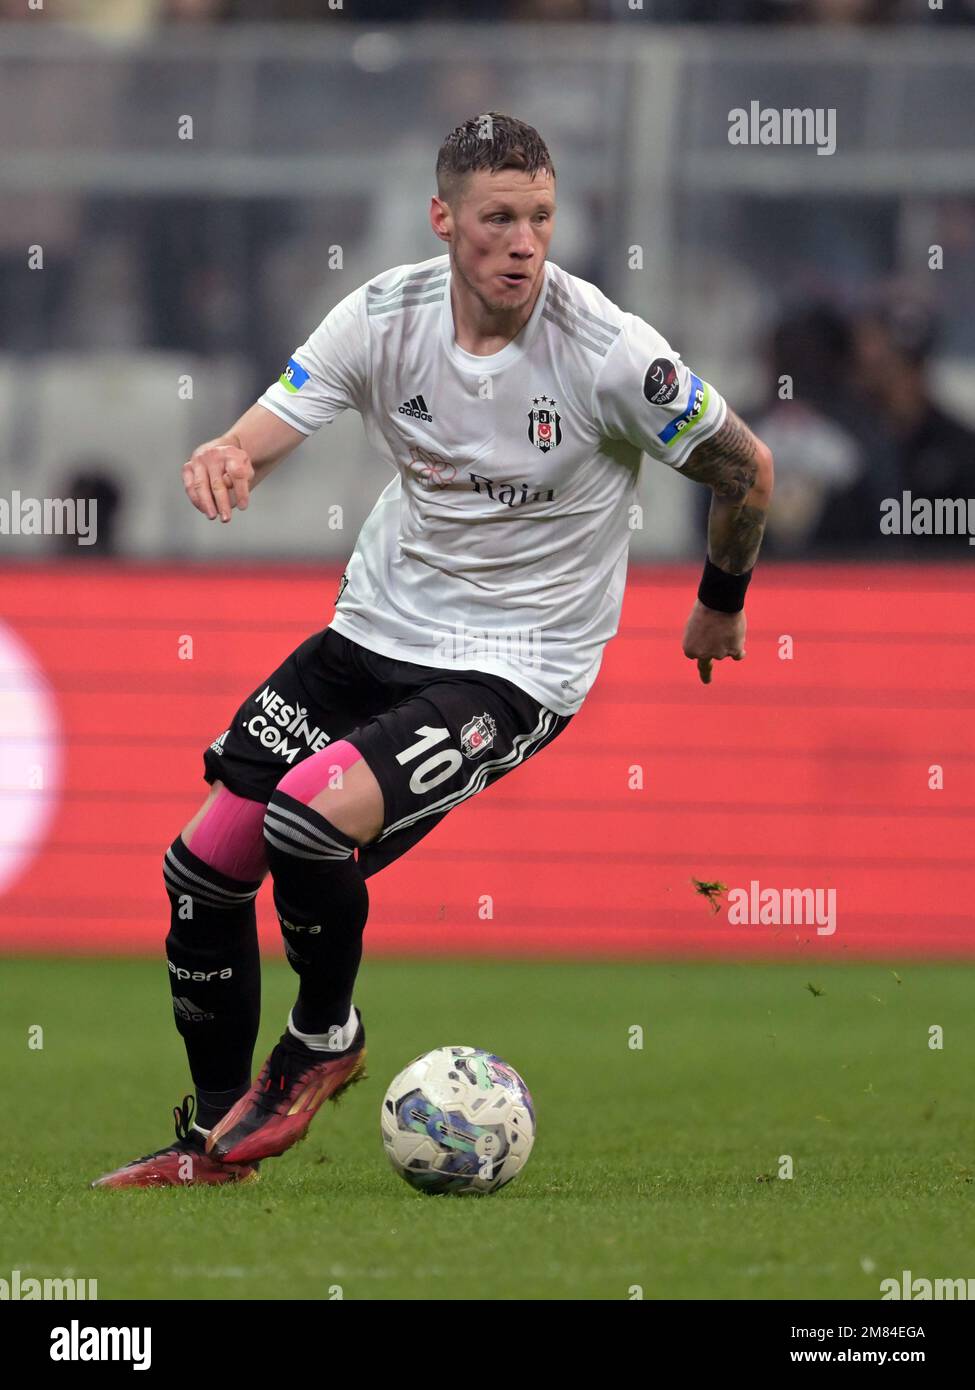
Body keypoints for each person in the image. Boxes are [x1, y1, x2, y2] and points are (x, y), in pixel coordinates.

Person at [92, 112, 773, 1188]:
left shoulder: (609, 353)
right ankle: (216, 1142)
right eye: (499, 219)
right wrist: (230, 452)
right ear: (444, 220)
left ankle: (325, 1042)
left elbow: (747, 469)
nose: (523, 243)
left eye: (541, 218)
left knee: (307, 819)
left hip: (515, 665)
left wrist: (721, 602)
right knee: (203, 870)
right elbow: (274, 422)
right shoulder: (384, 314)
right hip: (375, 628)